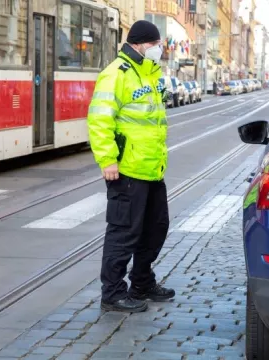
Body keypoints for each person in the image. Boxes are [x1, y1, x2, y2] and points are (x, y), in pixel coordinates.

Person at [87, 20, 175, 313]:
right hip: (126, 169)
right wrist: (107, 159)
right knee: (123, 232)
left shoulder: (150, 74)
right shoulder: (116, 74)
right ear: (138, 44)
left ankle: (142, 282)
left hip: (152, 168)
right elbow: (100, 120)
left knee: (156, 228)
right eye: (154, 44)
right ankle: (112, 293)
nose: (158, 49)